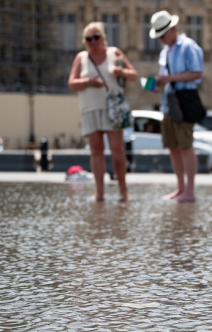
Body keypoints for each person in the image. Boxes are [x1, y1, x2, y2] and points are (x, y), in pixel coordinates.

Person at [68, 22, 137, 202]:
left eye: (96, 37)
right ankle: (99, 192)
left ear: (103, 38)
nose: (93, 41)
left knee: (117, 149)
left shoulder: (115, 53)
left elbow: (134, 75)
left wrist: (122, 71)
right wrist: (89, 82)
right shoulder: (81, 58)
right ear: (84, 41)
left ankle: (123, 191)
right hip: (90, 108)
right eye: (88, 38)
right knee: (96, 150)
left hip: (112, 108)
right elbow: (71, 84)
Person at [151, 10, 203, 202]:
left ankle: (190, 190)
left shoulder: (189, 47)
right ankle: (180, 188)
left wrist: (169, 78)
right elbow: (165, 77)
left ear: (172, 29)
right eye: (159, 36)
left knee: (185, 146)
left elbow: (197, 73)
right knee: (173, 147)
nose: (161, 40)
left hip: (184, 103)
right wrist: (157, 84)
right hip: (169, 104)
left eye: (163, 35)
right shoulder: (166, 51)